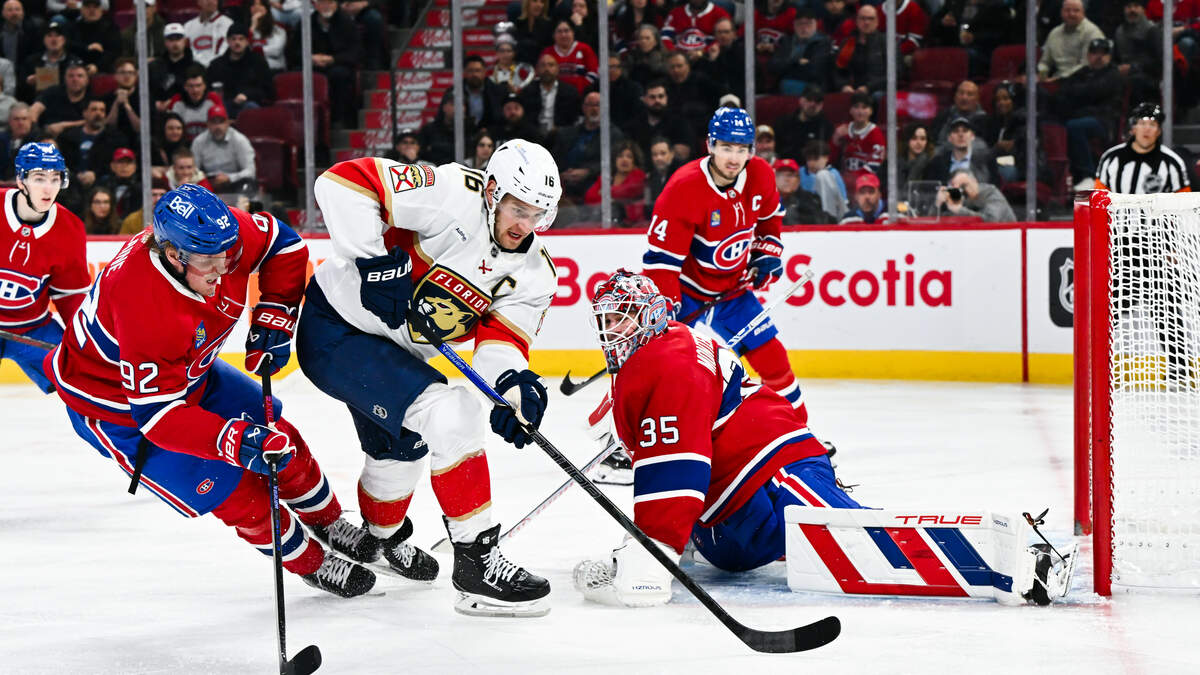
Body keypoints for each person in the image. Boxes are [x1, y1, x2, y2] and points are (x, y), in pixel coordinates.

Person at [571, 270, 1075, 608]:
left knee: (866, 543)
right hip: (731, 523)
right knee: (837, 546)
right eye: (604, 321)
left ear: (650, 315)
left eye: (619, 318)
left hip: (774, 473)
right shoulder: (662, 354)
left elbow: (678, 466)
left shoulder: (670, 361)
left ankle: (1013, 562)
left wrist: (649, 556)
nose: (610, 332)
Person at [46, 182, 378, 599]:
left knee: (282, 440)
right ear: (173, 255)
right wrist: (232, 440)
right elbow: (158, 417)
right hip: (121, 410)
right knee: (237, 493)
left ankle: (328, 521)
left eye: (227, 254)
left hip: (190, 373)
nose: (223, 268)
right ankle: (311, 562)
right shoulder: (144, 305)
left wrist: (276, 311)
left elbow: (284, 245)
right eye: (208, 260)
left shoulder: (215, 237)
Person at [296, 139, 560, 617]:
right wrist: (374, 262)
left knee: (401, 451)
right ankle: (477, 562)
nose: (525, 225)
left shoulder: (534, 274)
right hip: (336, 328)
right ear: (493, 192)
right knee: (453, 416)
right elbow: (340, 184)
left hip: (396, 351)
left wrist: (513, 389)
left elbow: (501, 344)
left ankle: (379, 540)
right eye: (518, 209)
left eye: (538, 214)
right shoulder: (453, 192)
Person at [640, 107, 805, 415]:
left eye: (742, 149)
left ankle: (800, 429)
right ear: (710, 145)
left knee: (774, 360)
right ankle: (635, 429)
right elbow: (661, 262)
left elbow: (770, 221)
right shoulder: (684, 187)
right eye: (727, 147)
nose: (734, 157)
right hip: (685, 293)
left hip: (732, 291)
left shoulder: (761, 174)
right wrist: (666, 309)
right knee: (665, 368)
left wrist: (765, 254)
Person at [0, 143, 89, 393]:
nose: (48, 188)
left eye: (55, 178)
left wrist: (85, 343)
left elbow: (70, 297)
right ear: (21, 180)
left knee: (82, 380)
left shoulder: (70, 229)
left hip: (34, 328)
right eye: (39, 178)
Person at [1054, 38, 1122, 191]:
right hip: (1082, 116)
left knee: (1075, 126)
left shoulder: (1112, 74)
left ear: (1109, 56)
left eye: (1103, 53)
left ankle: (1088, 175)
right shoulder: (1083, 73)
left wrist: (1077, 93)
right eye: (1094, 53)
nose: (1099, 57)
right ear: (1088, 55)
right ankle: (1061, 177)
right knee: (1054, 123)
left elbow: (1094, 91)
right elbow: (1064, 90)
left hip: (1105, 121)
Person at [1095, 102, 1191, 194]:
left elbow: (1183, 200)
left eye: (1152, 124)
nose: (1147, 129)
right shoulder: (1110, 158)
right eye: (1142, 123)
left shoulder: (1173, 162)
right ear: (1133, 129)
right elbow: (1098, 196)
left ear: (1159, 132)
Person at [205, 22, 273, 118]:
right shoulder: (216, 65)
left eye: (241, 39)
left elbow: (268, 90)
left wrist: (247, 95)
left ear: (247, 41)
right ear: (228, 41)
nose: (237, 42)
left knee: (251, 107)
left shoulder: (258, 62)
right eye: (233, 39)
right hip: (223, 105)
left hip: (248, 103)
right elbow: (207, 89)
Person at [57, 97, 125, 190]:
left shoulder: (113, 138)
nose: (98, 113)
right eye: (94, 110)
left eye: (102, 110)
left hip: (103, 183)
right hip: (72, 183)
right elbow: (64, 162)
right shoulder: (69, 137)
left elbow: (113, 164)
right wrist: (75, 175)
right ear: (84, 113)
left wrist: (95, 174)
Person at [190, 104, 257, 195]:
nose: (218, 127)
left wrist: (229, 178)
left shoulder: (240, 140)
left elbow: (250, 171)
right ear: (207, 124)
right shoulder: (199, 142)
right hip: (208, 183)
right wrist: (202, 178)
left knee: (248, 184)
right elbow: (193, 170)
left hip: (234, 182)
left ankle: (241, 204)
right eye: (213, 122)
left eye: (221, 122)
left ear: (228, 123)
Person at [622, 79, 693, 163]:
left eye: (661, 96)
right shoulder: (634, 125)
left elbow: (683, 154)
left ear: (666, 98)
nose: (657, 100)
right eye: (652, 97)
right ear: (644, 99)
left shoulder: (680, 122)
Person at [767, 7, 832, 95]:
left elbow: (815, 71)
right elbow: (773, 66)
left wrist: (787, 66)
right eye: (800, 24)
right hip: (782, 86)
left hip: (811, 88)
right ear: (794, 25)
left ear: (816, 24)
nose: (804, 28)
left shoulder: (823, 42)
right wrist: (796, 62)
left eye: (808, 24)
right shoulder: (787, 41)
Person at [1038, 0, 1105, 82]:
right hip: (1056, 81)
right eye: (1067, 10)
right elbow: (1045, 62)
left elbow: (1087, 66)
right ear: (1061, 12)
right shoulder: (1054, 33)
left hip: (1084, 81)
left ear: (1083, 13)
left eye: (1076, 10)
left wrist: (1058, 79)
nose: (1071, 14)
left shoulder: (1092, 33)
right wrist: (1042, 76)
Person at [518, 53, 581, 139]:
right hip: (533, 135)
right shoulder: (527, 91)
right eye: (543, 65)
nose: (547, 69)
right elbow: (524, 118)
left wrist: (560, 130)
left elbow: (573, 118)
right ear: (537, 69)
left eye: (551, 65)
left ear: (557, 69)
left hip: (561, 135)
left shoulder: (570, 92)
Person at [830, 92, 886, 189]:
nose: (860, 112)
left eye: (864, 107)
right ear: (850, 110)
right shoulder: (842, 130)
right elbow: (830, 160)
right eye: (856, 107)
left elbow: (875, 165)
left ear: (871, 111)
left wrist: (852, 178)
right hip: (843, 179)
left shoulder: (875, 133)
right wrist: (835, 140)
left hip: (866, 182)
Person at [924, 116, 1000, 185]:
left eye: (965, 131)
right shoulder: (937, 163)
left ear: (972, 136)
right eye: (956, 131)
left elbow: (994, 187)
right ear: (949, 138)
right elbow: (931, 189)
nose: (960, 135)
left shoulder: (987, 161)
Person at [166, 65, 224, 142]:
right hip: (183, 145)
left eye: (198, 85)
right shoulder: (176, 101)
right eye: (191, 86)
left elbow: (221, 127)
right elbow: (169, 131)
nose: (195, 90)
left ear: (205, 86)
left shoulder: (214, 99)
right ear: (185, 87)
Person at [584, 140, 645, 212]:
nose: (624, 160)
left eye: (629, 157)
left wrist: (604, 192)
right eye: (620, 156)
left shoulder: (638, 175)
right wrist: (611, 201)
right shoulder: (607, 176)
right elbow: (589, 197)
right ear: (614, 160)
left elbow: (628, 192)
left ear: (635, 161)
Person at [541, 20, 597, 95]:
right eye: (559, 31)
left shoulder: (585, 49)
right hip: (555, 95)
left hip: (581, 94)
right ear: (553, 35)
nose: (563, 35)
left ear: (573, 32)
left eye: (566, 31)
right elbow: (541, 74)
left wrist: (579, 89)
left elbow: (593, 73)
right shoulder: (547, 52)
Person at [937, 168, 1016, 222]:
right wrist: (938, 204)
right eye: (957, 189)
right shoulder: (957, 198)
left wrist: (959, 210)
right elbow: (938, 220)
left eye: (964, 186)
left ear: (974, 181)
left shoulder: (991, 193)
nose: (962, 191)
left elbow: (991, 220)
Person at [799, 139, 847, 220]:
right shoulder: (801, 172)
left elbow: (842, 202)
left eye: (815, 159)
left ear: (826, 158)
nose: (812, 163)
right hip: (809, 215)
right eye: (809, 159)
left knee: (822, 175)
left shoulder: (833, 174)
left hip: (834, 216)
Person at [774, 157, 831, 224]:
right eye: (781, 175)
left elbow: (821, 221)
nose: (786, 179)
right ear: (774, 179)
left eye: (790, 175)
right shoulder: (767, 201)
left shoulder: (810, 200)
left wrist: (797, 216)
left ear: (798, 180)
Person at [661, 0, 731, 53]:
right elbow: (665, 37)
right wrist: (675, 53)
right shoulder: (675, 13)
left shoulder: (720, 13)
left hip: (708, 56)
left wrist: (702, 52)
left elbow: (725, 39)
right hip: (678, 57)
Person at [184, 0, 233, 67]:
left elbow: (225, 51)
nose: (211, 1)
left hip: (219, 68)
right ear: (199, 2)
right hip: (195, 69)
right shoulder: (188, 26)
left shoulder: (228, 24)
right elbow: (186, 52)